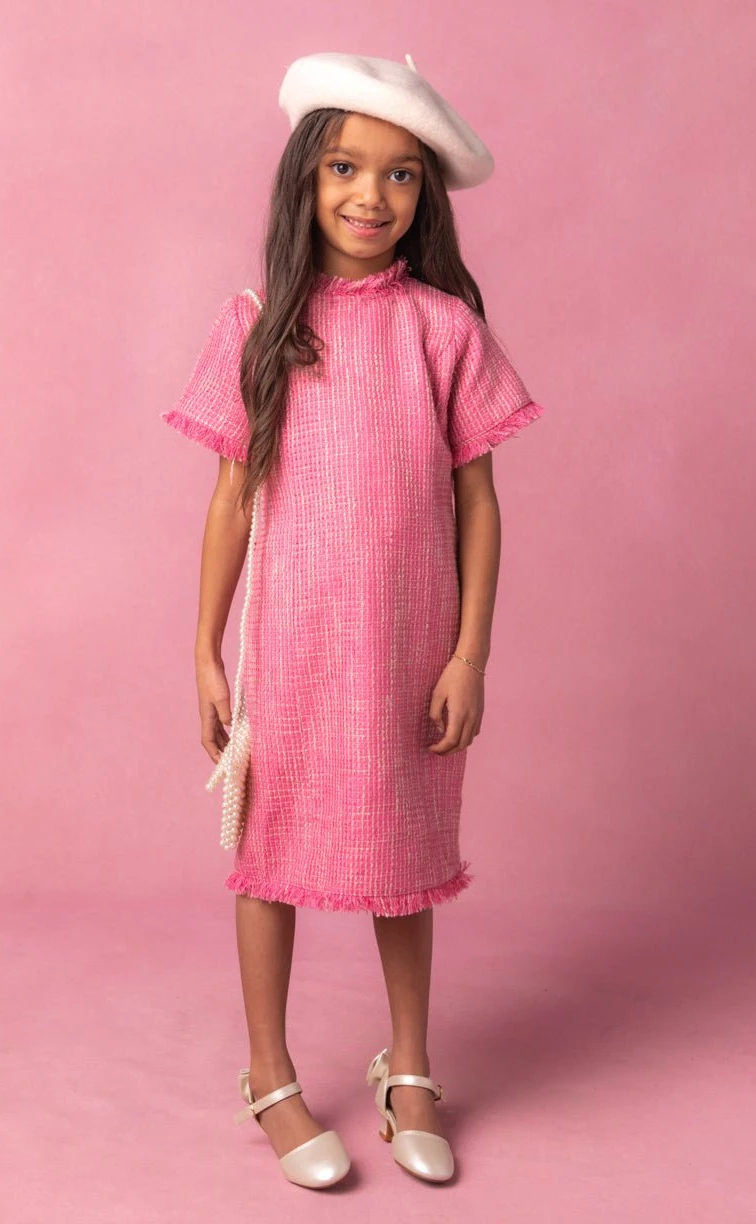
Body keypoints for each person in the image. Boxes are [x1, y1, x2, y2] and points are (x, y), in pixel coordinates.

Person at [161, 51, 546, 1190]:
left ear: (427, 194)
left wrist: (470, 655)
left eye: (399, 174)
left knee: (406, 853)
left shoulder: (442, 328)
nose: (370, 196)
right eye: (344, 167)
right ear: (305, 177)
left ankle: (409, 1064)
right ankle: (270, 1072)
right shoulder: (259, 324)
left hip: (408, 652)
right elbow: (231, 497)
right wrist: (203, 650)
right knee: (267, 853)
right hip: (289, 649)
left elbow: (479, 502)